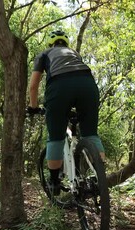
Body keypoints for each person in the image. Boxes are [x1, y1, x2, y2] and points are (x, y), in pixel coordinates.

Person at [26, 30, 105, 196]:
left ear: (51, 43)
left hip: (59, 87)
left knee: (56, 137)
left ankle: (54, 182)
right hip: (88, 86)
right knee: (90, 133)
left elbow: (33, 86)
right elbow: (76, 77)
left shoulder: (44, 54)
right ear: (65, 43)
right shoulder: (74, 54)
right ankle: (100, 177)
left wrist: (33, 107)